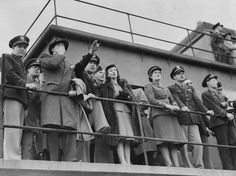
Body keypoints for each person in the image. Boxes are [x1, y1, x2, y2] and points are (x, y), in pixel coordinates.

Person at [39, 39, 78, 161]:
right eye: (58, 45)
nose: (62, 47)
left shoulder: (69, 63)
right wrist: (60, 55)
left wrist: (74, 88)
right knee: (53, 129)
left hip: (66, 98)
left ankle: (70, 160)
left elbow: (73, 78)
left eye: (63, 46)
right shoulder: (45, 58)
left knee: (70, 128)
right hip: (51, 96)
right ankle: (54, 161)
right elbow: (53, 64)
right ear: (52, 49)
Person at [168, 66, 214, 168]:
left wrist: (206, 111)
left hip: (193, 118)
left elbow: (197, 101)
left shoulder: (190, 87)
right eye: (179, 73)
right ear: (174, 77)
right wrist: (182, 107)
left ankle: (198, 165)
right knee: (184, 143)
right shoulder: (172, 88)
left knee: (198, 142)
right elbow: (176, 99)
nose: (182, 75)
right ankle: (188, 165)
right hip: (182, 118)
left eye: (182, 73)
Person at [1, 35, 38, 160]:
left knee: (18, 129)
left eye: (25, 47)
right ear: (13, 47)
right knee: (12, 127)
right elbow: (9, 74)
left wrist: (26, 105)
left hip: (21, 99)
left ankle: (14, 156)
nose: (23, 49)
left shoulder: (21, 64)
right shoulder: (7, 57)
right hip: (12, 96)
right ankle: (11, 157)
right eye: (20, 46)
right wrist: (25, 84)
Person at [74, 41, 111, 163]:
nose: (93, 65)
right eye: (91, 62)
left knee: (88, 138)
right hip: (81, 107)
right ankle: (101, 125)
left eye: (95, 63)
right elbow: (79, 66)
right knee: (82, 137)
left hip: (90, 109)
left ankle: (84, 162)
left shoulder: (93, 81)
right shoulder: (80, 73)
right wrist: (91, 53)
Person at [144, 66, 188, 167]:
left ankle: (176, 165)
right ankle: (169, 163)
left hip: (171, 115)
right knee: (163, 140)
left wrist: (175, 105)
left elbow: (172, 99)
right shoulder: (148, 86)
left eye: (159, 72)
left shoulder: (166, 88)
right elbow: (151, 100)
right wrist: (165, 105)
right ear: (150, 76)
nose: (158, 74)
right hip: (159, 115)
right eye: (155, 73)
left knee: (173, 140)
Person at [100, 64, 139, 164]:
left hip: (126, 111)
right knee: (120, 137)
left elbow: (132, 98)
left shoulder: (123, 85)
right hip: (115, 111)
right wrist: (117, 96)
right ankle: (123, 161)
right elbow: (106, 99)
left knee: (128, 138)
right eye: (111, 71)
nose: (114, 72)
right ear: (107, 75)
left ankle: (128, 161)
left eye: (115, 70)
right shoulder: (106, 86)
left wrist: (127, 97)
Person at [201, 74, 236, 170]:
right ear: (207, 82)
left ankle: (234, 167)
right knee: (224, 146)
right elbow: (212, 107)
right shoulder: (205, 94)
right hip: (219, 122)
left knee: (234, 144)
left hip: (228, 122)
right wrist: (226, 114)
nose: (216, 82)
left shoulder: (218, 94)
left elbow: (225, 105)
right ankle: (229, 169)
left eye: (216, 80)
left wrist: (227, 107)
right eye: (213, 80)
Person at [184, 79, 214, 169]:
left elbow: (204, 115)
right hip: (191, 123)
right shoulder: (186, 100)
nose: (189, 85)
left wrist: (210, 127)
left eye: (191, 83)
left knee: (204, 150)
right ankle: (193, 166)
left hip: (201, 127)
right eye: (187, 84)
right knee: (192, 146)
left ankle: (207, 169)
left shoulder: (196, 100)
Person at [22, 58, 43, 160]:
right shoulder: (22, 80)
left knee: (28, 145)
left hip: (31, 119)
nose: (37, 69)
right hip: (19, 115)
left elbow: (40, 103)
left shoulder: (40, 85)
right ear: (28, 69)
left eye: (39, 68)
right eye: (34, 67)